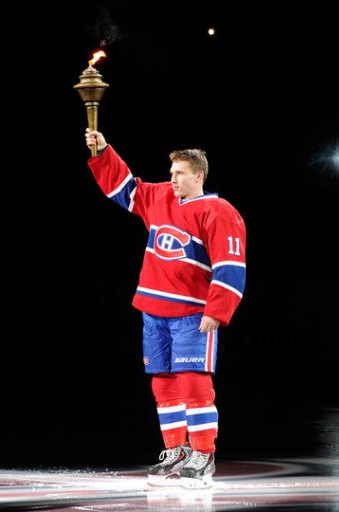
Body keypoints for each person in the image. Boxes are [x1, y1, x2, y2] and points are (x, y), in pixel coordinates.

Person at [84, 128, 246, 488]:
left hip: (192, 314)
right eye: (171, 172)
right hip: (153, 309)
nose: (172, 178)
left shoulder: (218, 211)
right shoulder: (158, 197)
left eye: (179, 173)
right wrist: (102, 150)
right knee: (163, 384)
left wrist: (217, 310)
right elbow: (124, 188)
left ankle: (204, 455)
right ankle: (177, 452)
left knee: (193, 383)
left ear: (199, 175)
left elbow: (231, 264)